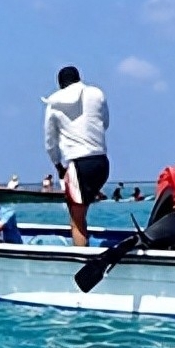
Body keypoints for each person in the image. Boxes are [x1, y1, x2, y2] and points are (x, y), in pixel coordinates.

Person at [74, 162, 175, 292]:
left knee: (134, 242)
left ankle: (97, 268)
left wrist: (149, 234)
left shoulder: (172, 187)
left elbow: (156, 216)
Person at [43, 65, 109, 246]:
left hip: (79, 165)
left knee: (76, 221)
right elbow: (105, 123)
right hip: (102, 162)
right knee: (83, 210)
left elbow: (50, 142)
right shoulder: (97, 94)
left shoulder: (54, 103)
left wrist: (58, 166)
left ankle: (82, 263)